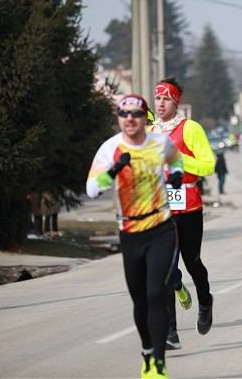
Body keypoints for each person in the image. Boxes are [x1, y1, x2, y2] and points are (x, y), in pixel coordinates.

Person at [86, 94, 183, 379]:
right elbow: (92, 189)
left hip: (161, 228)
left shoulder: (159, 143)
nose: (130, 119)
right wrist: (114, 171)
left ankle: (160, 364)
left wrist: (176, 175)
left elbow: (176, 161)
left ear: (145, 118)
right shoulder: (109, 149)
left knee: (156, 293)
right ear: (118, 118)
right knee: (140, 300)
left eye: (136, 114)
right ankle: (147, 352)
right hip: (129, 233)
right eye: (124, 114)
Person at [149, 78, 216, 351]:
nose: (160, 103)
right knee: (165, 269)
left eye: (166, 99)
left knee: (192, 262)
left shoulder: (191, 129)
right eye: (158, 98)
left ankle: (205, 299)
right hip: (161, 209)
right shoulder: (150, 132)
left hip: (188, 207)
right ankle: (170, 333)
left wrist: (177, 157)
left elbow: (208, 166)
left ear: (176, 102)